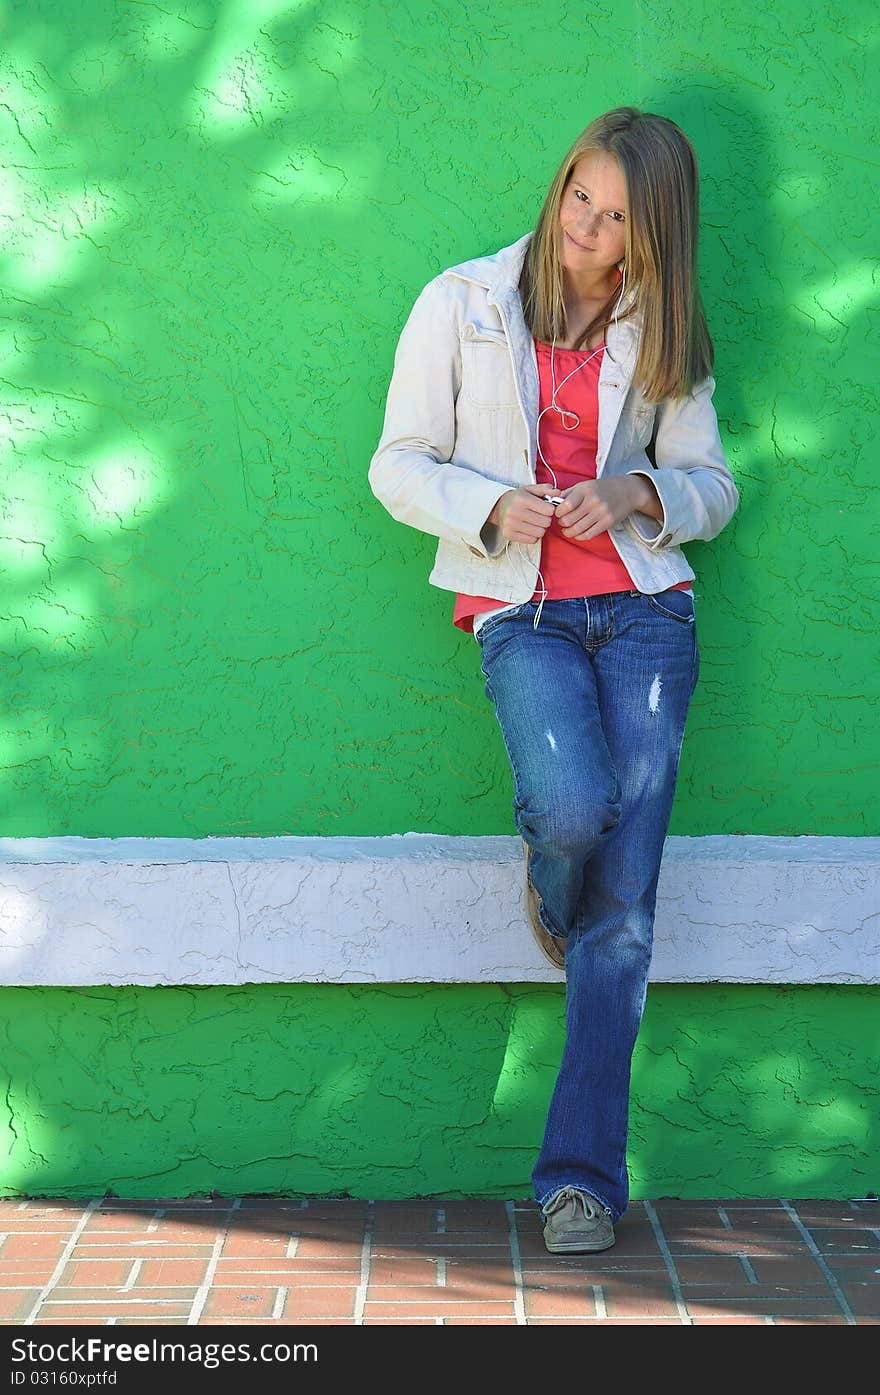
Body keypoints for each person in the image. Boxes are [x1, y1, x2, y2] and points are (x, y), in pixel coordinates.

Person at [368, 107, 739, 1254]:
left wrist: (635, 493)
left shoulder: (664, 328)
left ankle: (579, 1178)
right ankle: (553, 887)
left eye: (618, 217)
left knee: (624, 922)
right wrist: (487, 505)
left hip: (644, 616)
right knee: (572, 813)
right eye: (580, 196)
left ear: (651, 234)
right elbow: (396, 461)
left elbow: (712, 486)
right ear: (559, 183)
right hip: (520, 610)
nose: (586, 227)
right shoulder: (464, 302)